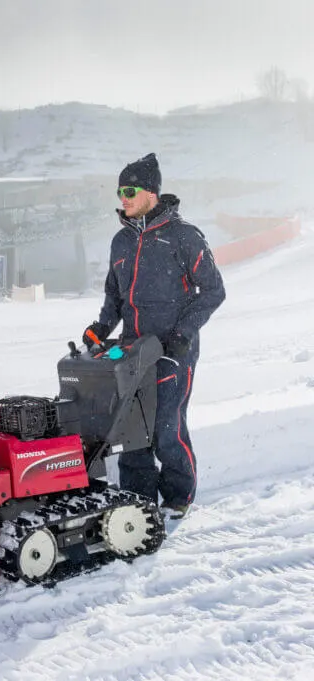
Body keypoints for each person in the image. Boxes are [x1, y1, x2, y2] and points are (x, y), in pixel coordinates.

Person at [82, 153, 226, 521]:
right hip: (132, 352)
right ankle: (138, 498)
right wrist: (100, 329)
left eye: (129, 190)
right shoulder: (121, 242)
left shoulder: (183, 236)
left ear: (150, 192)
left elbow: (212, 291)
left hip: (174, 350)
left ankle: (178, 496)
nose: (123, 198)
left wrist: (182, 334)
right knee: (133, 429)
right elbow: (115, 296)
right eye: (120, 191)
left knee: (165, 426)